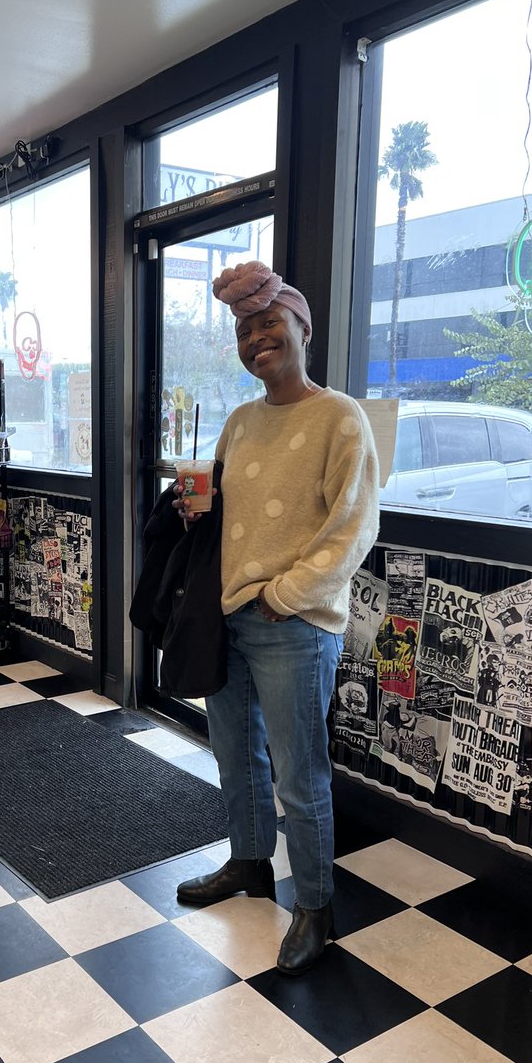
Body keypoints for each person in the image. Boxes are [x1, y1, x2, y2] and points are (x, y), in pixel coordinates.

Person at [175, 261, 379, 975]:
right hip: (229, 614)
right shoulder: (240, 420)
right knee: (236, 757)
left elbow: (353, 527)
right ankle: (250, 864)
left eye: (269, 323)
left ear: (302, 329)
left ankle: (317, 907)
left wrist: (283, 595)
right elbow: (224, 512)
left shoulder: (339, 416)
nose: (256, 337)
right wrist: (192, 506)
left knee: (300, 774)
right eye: (243, 330)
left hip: (294, 623)